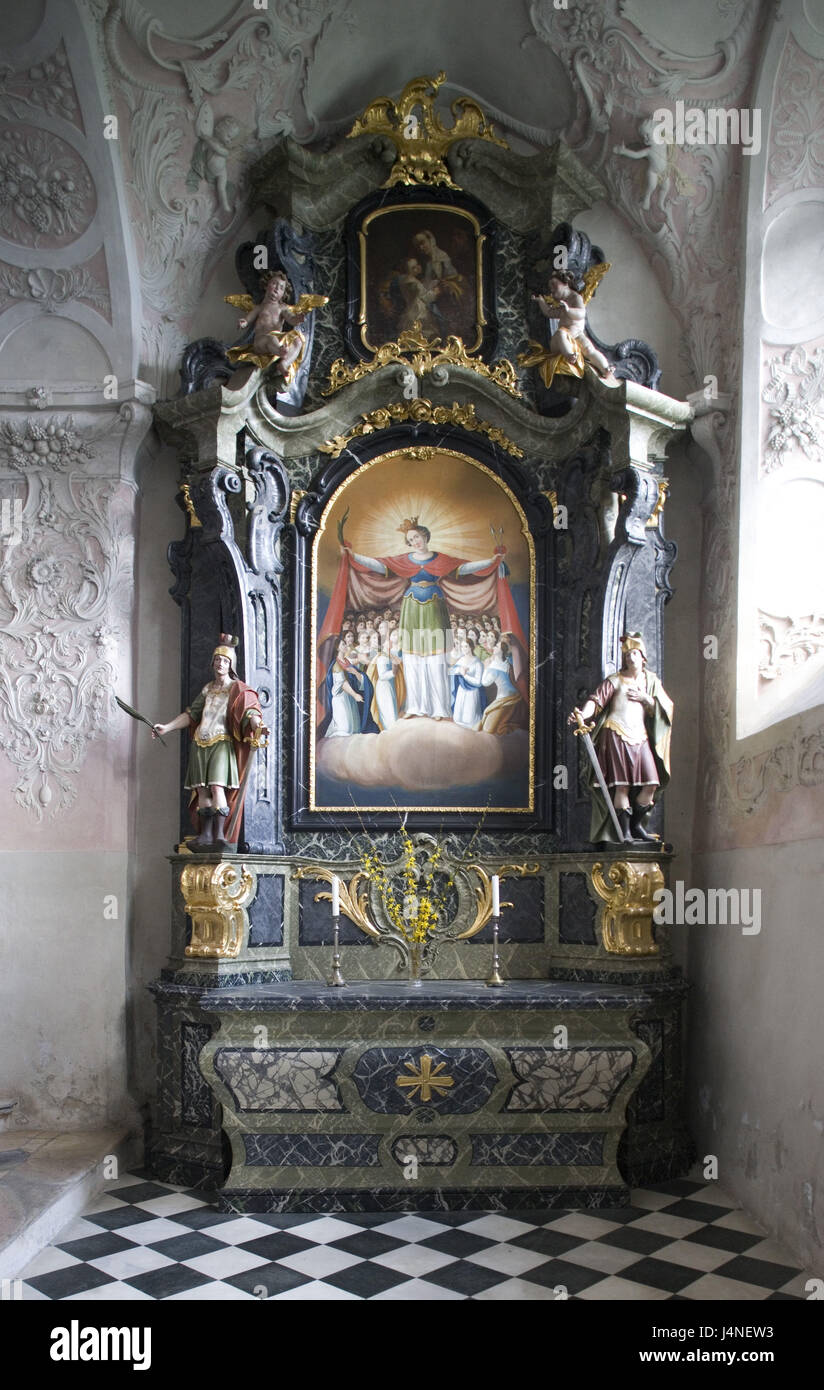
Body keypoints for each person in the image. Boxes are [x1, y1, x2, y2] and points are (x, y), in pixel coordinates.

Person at [341, 520, 506, 720]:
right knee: (412, 659)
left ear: (425, 536)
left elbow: (465, 568)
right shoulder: (405, 560)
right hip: (411, 609)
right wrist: (353, 555)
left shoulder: (441, 559)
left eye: (417, 537)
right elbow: (378, 564)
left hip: (435, 608)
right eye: (410, 540)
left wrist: (492, 561)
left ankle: (438, 708)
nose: (415, 541)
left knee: (436, 661)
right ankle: (415, 706)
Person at [152, 634, 266, 850]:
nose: (220, 664)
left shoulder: (237, 689)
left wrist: (256, 722)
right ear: (212, 662)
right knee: (202, 789)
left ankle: (220, 835)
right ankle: (205, 834)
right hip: (200, 742)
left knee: (216, 787)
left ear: (231, 664)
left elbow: (250, 710)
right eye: (217, 660)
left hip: (221, 742)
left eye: (225, 660)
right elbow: (191, 715)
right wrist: (166, 727)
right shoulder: (208, 689)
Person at [568, 632, 673, 844]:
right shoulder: (615, 680)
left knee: (651, 783)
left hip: (640, 736)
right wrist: (582, 714)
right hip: (615, 732)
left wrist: (646, 700)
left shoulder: (650, 682)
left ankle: (637, 826)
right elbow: (596, 701)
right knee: (622, 785)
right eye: (626, 655)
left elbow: (666, 708)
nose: (629, 658)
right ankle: (623, 833)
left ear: (643, 657)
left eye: (634, 653)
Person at [480, 638, 525, 735]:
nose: (494, 647)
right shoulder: (508, 662)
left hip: (504, 700)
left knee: (488, 728)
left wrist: (486, 668)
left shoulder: (494, 666)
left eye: (496, 646)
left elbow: (485, 682)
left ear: (501, 651)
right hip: (515, 697)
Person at [450, 638, 486, 730]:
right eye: (462, 646)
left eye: (466, 646)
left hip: (472, 692)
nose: (463, 649)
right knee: (458, 718)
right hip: (462, 690)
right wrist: (459, 670)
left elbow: (478, 682)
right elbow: (452, 671)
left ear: (471, 647)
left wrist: (465, 675)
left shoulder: (477, 662)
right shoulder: (461, 659)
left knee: (470, 720)